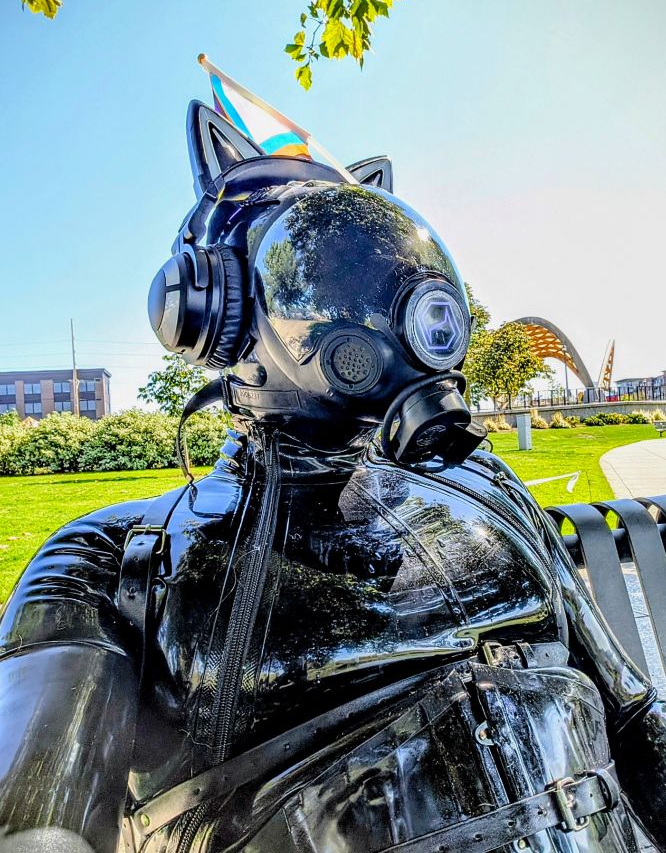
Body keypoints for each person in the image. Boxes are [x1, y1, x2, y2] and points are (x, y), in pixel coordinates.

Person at [1, 91, 666, 853]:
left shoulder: (490, 494)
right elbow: (38, 829)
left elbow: (633, 717)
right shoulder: (115, 564)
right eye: (324, 258)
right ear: (204, 308)